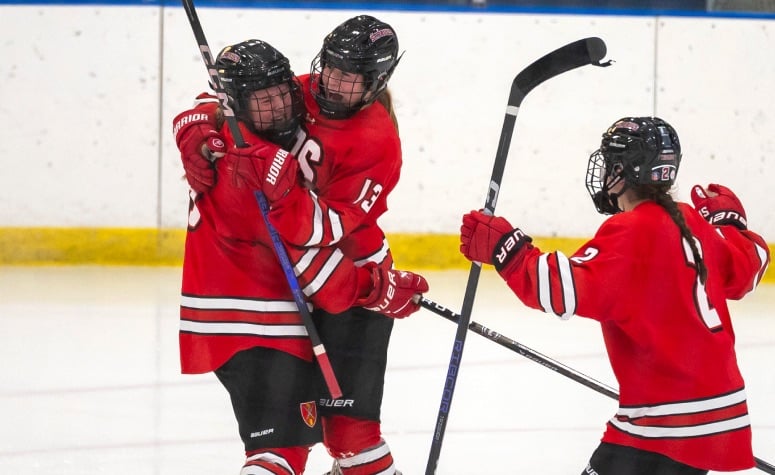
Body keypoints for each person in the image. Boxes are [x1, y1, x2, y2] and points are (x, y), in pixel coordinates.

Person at [458, 117, 770, 474]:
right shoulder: (692, 222)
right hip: (719, 414)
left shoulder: (631, 230)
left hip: (664, 423)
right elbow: (751, 265)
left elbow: (561, 290)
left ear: (624, 170)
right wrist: (731, 225)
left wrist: (505, 248)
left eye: (610, 164)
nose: (605, 172)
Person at [173, 39, 428, 475]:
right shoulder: (251, 151)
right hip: (267, 299)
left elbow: (319, 235)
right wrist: (193, 125)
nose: (276, 108)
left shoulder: (369, 138)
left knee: (349, 438)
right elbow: (300, 254)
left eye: (280, 95)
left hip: (319, 287)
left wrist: (372, 283)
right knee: (283, 450)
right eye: (333, 71)